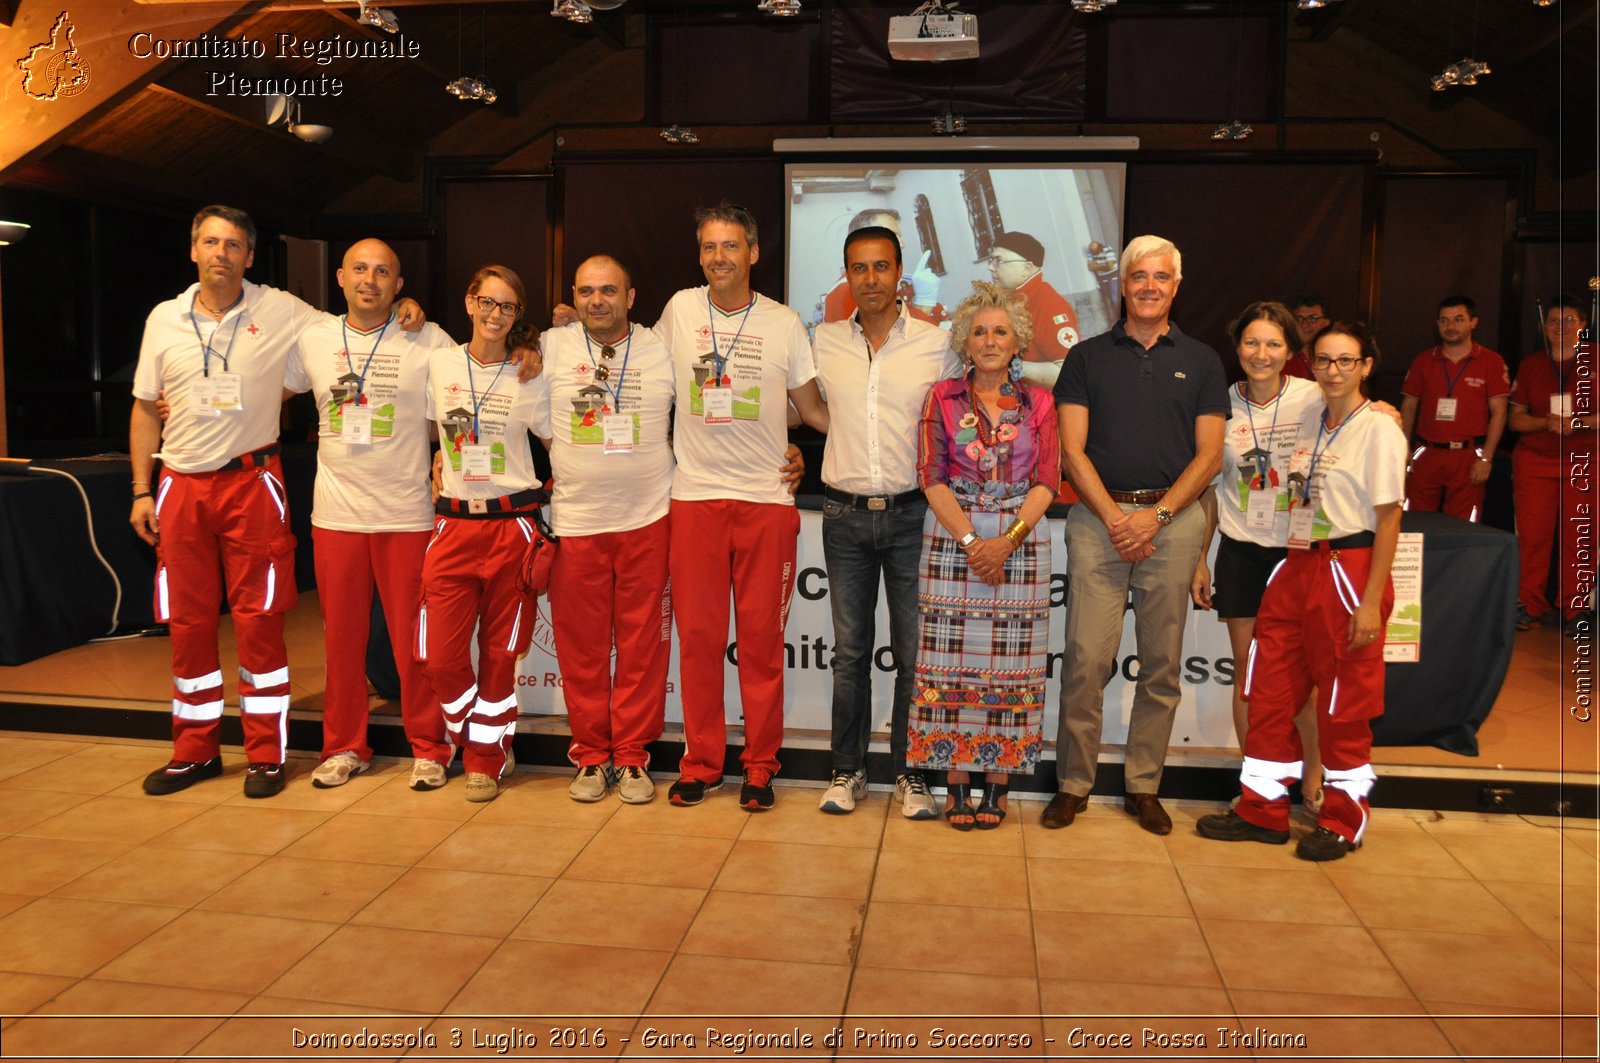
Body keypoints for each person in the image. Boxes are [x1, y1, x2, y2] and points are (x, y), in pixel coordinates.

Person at [130, 205, 418, 799]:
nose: (221, 254)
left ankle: (266, 753)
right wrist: (140, 488)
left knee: (260, 622)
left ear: (250, 256)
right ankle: (195, 750)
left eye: (233, 245)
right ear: (193, 250)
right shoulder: (163, 319)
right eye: (210, 242)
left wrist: (407, 310)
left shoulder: (282, 310)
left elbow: (351, 327)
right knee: (186, 624)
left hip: (251, 483)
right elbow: (142, 406)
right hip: (179, 485)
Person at [1196, 321, 1406, 861]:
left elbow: (1388, 521)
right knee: (1267, 687)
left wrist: (1371, 600)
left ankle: (1342, 818)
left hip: (1347, 566)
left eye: (1346, 361)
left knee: (1343, 701)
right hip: (1294, 561)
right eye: (1325, 361)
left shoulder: (1379, 428)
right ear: (1309, 365)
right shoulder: (1311, 415)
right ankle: (1261, 808)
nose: (1334, 371)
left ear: (1366, 366)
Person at [1044, 235, 1228, 835]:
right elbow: (1071, 452)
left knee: (1161, 667)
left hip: (1171, 526)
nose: (1149, 286)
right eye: (1137, 276)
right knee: (1085, 662)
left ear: (1177, 286)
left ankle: (1144, 785)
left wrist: (1157, 517)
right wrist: (1118, 519)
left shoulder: (1202, 360)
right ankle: (1073, 783)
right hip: (1099, 525)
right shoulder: (1087, 358)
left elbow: (1209, 458)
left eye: (1161, 277)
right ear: (1120, 285)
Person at [655, 203, 828, 811]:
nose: (718, 257)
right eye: (709, 247)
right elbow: (632, 369)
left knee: (759, 643)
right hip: (696, 499)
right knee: (699, 641)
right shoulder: (678, 310)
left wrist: (861, 449)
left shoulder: (785, 323)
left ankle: (760, 766)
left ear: (754, 253)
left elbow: (813, 412)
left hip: (765, 501)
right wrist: (561, 332)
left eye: (730, 246)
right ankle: (701, 762)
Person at [284, 239, 459, 792]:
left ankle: (430, 747)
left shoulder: (426, 337)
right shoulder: (312, 339)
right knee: (341, 642)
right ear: (340, 277)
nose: (370, 279)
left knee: (415, 644)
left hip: (407, 514)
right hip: (336, 515)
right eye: (360, 269)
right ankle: (342, 747)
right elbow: (262, 391)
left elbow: (474, 389)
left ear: (399, 285)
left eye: (383, 271)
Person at [813, 225, 961, 819]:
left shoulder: (937, 343)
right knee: (849, 654)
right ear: (846, 276)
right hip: (843, 514)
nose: (870, 279)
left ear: (899, 274)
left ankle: (911, 774)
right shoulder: (821, 340)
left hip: (912, 516)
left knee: (912, 653)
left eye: (880, 267)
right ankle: (847, 772)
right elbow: (804, 406)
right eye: (858, 268)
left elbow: (959, 417)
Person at [908, 282, 1059, 830]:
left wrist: (1007, 541)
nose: (990, 341)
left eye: (1000, 331)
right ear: (963, 341)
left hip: (1021, 544)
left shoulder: (1040, 401)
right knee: (947, 665)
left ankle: (997, 784)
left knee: (1012, 670)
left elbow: (1048, 479)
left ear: (1018, 340)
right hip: (953, 539)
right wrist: (975, 543)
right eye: (979, 332)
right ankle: (954, 783)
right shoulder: (941, 397)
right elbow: (930, 477)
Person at [536, 256, 674, 804]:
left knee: (642, 646)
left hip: (649, 517)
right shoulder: (551, 345)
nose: (598, 300)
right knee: (582, 649)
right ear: (574, 294)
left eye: (609, 290)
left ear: (631, 296)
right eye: (588, 291)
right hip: (578, 521)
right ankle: (592, 755)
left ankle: (634, 757)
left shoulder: (663, 346)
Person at [419, 265, 549, 803]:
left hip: (510, 526)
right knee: (442, 658)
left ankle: (485, 759)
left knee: (500, 653)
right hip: (452, 524)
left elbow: (560, 439)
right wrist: (436, 457)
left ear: (518, 316)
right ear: (470, 303)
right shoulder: (439, 363)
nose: (495, 314)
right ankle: (475, 735)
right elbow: (433, 429)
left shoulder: (529, 375)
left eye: (508, 306)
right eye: (487, 302)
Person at [1190, 302, 1326, 811]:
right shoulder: (1219, 404)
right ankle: (1258, 788)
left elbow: (1361, 421)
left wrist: (1381, 408)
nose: (1261, 354)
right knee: (1249, 674)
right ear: (1237, 347)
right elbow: (1206, 491)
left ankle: (1315, 779)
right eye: (1251, 342)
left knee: (1304, 676)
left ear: (1291, 351)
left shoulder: (1316, 398)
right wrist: (1202, 559)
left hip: (1300, 553)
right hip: (1242, 552)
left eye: (1273, 344)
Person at [1508, 296, 1595, 630]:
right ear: (1545, 328)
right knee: (1532, 537)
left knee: (1581, 536)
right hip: (1535, 462)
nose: (1561, 327)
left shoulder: (1598, 358)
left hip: (1585, 462)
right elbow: (1516, 420)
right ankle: (1529, 603)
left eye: (1569, 320)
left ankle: (1575, 610)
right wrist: (1547, 423)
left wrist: (1580, 423)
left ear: (1583, 325)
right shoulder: (1531, 364)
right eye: (1554, 321)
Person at [1399, 295, 1509, 523]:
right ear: (1437, 324)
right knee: (1414, 521)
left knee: (1463, 526)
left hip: (1469, 455)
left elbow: (1499, 412)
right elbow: (1408, 407)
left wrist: (1486, 459)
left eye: (1458, 319)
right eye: (1444, 320)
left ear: (1473, 322)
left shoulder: (1491, 361)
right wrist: (1402, 449)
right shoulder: (1423, 360)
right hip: (1426, 452)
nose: (1450, 326)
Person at [820, 208, 945, 326]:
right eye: (893, 235)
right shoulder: (854, 287)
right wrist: (924, 302)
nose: (902, 245)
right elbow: (903, 342)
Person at [987, 231, 1082, 386]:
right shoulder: (1010, 300)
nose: (991, 267)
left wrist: (1007, 366)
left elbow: (1067, 373)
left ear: (1027, 267)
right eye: (991, 261)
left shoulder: (1049, 305)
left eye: (999, 261)